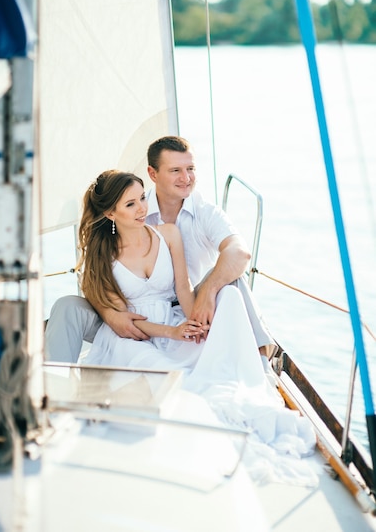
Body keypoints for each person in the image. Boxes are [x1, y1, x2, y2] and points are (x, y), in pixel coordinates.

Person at [78, 169, 317, 486]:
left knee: (229, 298)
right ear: (110, 213)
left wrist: (195, 323)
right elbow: (125, 324)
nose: (142, 210)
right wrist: (172, 334)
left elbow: (182, 290)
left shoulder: (168, 234)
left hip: (173, 321)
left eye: (142, 199)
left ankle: (253, 366)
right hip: (135, 336)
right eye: (130, 205)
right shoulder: (102, 255)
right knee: (178, 382)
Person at [45, 136, 276, 368]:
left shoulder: (202, 215)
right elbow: (95, 281)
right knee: (67, 306)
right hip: (129, 318)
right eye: (175, 170)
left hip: (185, 307)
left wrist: (207, 293)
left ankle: (261, 362)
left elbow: (238, 253)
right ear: (153, 174)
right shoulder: (120, 220)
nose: (186, 178)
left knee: (234, 282)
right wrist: (110, 314)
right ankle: (53, 383)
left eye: (190, 168)